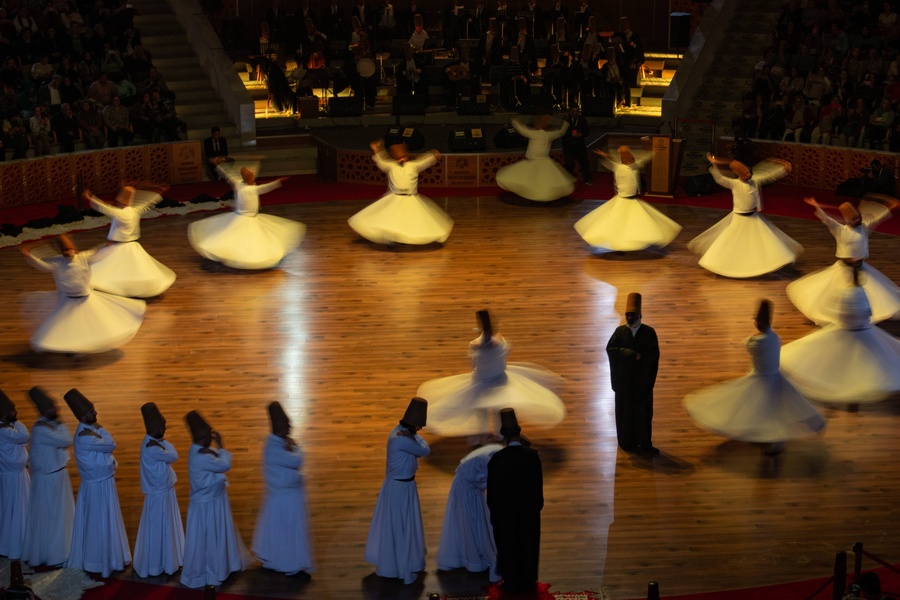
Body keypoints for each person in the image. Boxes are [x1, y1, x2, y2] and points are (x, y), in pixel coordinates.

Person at [683, 300, 826, 456]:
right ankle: (774, 439)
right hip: (775, 376)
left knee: (760, 408)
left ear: (758, 322)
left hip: (761, 378)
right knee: (774, 409)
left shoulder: (755, 342)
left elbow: (753, 352)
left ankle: (768, 437)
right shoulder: (774, 337)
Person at [417, 310, 565, 440]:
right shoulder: (502, 343)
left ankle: (480, 435)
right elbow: (505, 350)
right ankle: (502, 434)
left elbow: (473, 364)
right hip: (501, 381)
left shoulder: (475, 347)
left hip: (481, 382)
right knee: (500, 410)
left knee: (480, 410)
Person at [781, 277, 900, 403]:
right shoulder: (860, 293)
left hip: (849, 330)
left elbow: (840, 313)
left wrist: (846, 320)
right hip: (862, 331)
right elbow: (867, 312)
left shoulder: (846, 294)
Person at [20, 235, 146, 355]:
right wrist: (29, 256)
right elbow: (42, 265)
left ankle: (91, 341)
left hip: (85, 298)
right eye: (65, 250)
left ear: (74, 249)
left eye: (69, 249)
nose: (68, 252)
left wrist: (107, 246)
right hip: (67, 300)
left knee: (92, 322)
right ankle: (71, 346)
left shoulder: (83, 257)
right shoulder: (57, 262)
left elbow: (97, 253)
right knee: (68, 324)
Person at [786, 196, 900, 324]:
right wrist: (816, 205)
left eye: (858, 217)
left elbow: (878, 218)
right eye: (854, 218)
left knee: (867, 294)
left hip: (860, 267)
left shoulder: (864, 227)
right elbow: (826, 219)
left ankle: (862, 313)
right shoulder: (839, 230)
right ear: (848, 220)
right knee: (840, 295)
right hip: (843, 269)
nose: (858, 220)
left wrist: (890, 206)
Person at [688, 155, 803, 278]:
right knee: (732, 242)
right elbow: (719, 179)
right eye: (745, 172)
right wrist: (714, 165)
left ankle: (764, 263)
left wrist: (784, 170)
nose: (748, 174)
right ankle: (725, 264)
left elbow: (769, 176)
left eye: (748, 171)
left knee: (763, 241)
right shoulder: (734, 184)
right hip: (739, 218)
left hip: (753, 217)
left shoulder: (755, 181)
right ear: (739, 174)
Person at [64, 388, 131, 577]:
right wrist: (101, 429)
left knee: (104, 521)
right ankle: (98, 561)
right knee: (99, 522)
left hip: (100, 483)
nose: (95, 413)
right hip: (97, 486)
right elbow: (111, 444)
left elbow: (107, 445)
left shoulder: (89, 430)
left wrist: (100, 431)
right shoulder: (86, 436)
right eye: (91, 411)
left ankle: (108, 557)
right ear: (83, 416)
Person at [181, 411, 251, 589]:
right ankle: (214, 570)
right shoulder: (202, 456)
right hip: (208, 505)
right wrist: (221, 445)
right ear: (199, 437)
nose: (211, 439)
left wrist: (214, 450)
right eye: (208, 436)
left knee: (212, 536)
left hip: (211, 501)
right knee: (211, 537)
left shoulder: (197, 450)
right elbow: (224, 465)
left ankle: (221, 567)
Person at [188, 165, 305, 269]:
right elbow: (266, 187)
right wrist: (278, 181)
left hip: (244, 217)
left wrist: (219, 167)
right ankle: (244, 257)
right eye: (251, 177)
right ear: (248, 179)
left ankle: (240, 255)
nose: (253, 179)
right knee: (244, 239)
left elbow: (229, 177)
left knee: (242, 239)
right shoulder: (251, 188)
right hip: (245, 218)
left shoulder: (240, 185)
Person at [365, 398, 429, 585]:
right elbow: (425, 450)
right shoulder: (401, 439)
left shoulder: (403, 435)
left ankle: (401, 563)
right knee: (401, 527)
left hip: (404, 487)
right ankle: (401, 567)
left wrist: (413, 436)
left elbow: (423, 446)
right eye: (419, 427)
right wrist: (414, 437)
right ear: (414, 424)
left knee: (402, 525)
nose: (420, 430)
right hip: (399, 489)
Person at [574, 146, 682, 252]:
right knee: (620, 223)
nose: (630, 155)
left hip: (632, 199)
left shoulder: (633, 166)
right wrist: (607, 156)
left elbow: (643, 160)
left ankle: (632, 241)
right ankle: (620, 243)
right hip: (623, 199)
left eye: (628, 153)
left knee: (633, 222)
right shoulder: (619, 167)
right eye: (626, 154)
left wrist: (652, 153)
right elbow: (613, 162)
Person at [252, 401, 315, 580]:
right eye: (287, 425)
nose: (290, 428)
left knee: (277, 531)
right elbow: (297, 460)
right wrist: (295, 447)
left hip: (280, 497)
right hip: (286, 498)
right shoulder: (275, 448)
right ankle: (291, 566)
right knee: (289, 532)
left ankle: (274, 560)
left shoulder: (273, 442)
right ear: (280, 428)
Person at [348, 140, 453, 246]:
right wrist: (377, 149)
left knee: (409, 219)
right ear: (396, 158)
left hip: (410, 198)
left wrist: (432, 155)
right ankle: (390, 239)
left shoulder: (413, 165)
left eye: (403, 156)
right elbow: (381, 160)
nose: (402, 159)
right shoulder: (391, 166)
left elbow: (423, 161)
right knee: (391, 219)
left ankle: (406, 238)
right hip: (395, 198)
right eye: (399, 157)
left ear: (407, 156)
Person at [84, 184, 176, 298]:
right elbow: (148, 203)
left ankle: (121, 288)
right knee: (132, 269)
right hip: (132, 245)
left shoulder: (121, 213)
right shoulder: (135, 210)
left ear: (122, 202)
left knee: (110, 269)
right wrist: (159, 193)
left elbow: (103, 207)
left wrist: (89, 198)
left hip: (120, 246)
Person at [486, 409, 543, 594]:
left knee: (508, 547)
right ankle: (528, 580)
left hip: (505, 515)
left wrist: (495, 514)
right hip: (528, 513)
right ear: (519, 433)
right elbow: (537, 488)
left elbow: (492, 494)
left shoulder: (497, 459)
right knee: (529, 546)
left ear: (504, 437)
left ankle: (510, 582)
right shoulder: (532, 456)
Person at [22, 387, 75, 567]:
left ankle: (63, 549)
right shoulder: (41, 429)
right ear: (45, 411)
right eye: (53, 407)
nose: (57, 409)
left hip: (57, 476)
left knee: (61, 516)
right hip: (48, 480)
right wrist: (60, 423)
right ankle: (53, 555)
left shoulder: (47, 425)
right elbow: (66, 440)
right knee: (51, 518)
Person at [132, 402, 184, 579]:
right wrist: (163, 444)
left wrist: (162, 442)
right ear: (155, 430)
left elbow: (170, 451)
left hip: (164, 491)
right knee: (160, 528)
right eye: (163, 428)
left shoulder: (154, 442)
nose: (165, 430)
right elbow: (174, 455)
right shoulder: (153, 448)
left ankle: (167, 560)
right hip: (159, 494)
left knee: (164, 526)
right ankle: (159, 564)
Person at [437, 443, 502, 580]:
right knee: (471, 524)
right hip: (467, 491)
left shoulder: (496, 452)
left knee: (472, 523)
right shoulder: (494, 458)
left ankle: (473, 555)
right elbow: (487, 480)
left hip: (469, 489)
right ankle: (476, 557)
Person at [606, 292, 660, 454]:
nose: (630, 318)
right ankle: (626, 442)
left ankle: (644, 442)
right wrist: (626, 353)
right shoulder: (620, 332)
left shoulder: (649, 333)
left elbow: (653, 356)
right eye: (628, 315)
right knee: (625, 413)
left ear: (640, 315)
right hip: (624, 383)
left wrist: (641, 362)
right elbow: (611, 350)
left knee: (642, 414)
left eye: (633, 315)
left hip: (641, 383)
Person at [495, 114, 575, 202]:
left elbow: (522, 130)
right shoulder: (546, 134)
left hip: (540, 161)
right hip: (535, 160)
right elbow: (561, 132)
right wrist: (565, 123)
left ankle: (538, 195)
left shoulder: (539, 134)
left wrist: (514, 121)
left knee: (537, 180)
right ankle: (538, 195)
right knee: (538, 180)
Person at [0, 389, 30, 561]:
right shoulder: (5, 431)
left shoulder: (7, 428)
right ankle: (15, 545)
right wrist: (15, 421)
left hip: (16, 475)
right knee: (15, 511)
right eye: (12, 411)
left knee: (10, 512)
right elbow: (24, 436)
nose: (16, 412)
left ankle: (10, 544)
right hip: (13, 478)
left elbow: (24, 440)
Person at [562, 105, 591, 184]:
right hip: (568, 144)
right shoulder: (566, 119)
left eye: (577, 111)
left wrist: (580, 134)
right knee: (569, 162)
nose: (575, 113)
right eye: (574, 111)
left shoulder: (582, 119)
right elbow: (562, 132)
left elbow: (587, 131)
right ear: (571, 111)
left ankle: (587, 179)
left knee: (584, 162)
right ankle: (568, 180)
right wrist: (570, 134)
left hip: (580, 144)